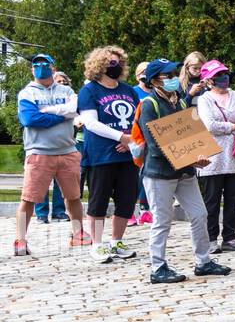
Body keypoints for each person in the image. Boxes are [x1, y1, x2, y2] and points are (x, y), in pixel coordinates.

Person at [137, 58, 232, 284]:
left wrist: (197, 155)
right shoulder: (149, 105)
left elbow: (190, 134)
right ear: (154, 80)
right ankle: (158, 267)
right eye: (167, 75)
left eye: (173, 74)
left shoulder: (179, 102)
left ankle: (203, 261)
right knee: (162, 220)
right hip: (159, 173)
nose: (172, 78)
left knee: (199, 213)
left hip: (185, 171)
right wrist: (189, 159)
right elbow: (154, 146)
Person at [14, 55, 91, 256]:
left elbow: (76, 109)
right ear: (32, 70)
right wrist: (62, 114)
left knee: (73, 197)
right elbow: (30, 119)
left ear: (53, 68)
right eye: (36, 65)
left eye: (44, 64)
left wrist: (50, 112)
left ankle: (78, 233)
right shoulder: (27, 93)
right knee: (29, 199)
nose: (40, 68)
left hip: (67, 151)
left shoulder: (66, 90)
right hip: (39, 153)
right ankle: (20, 240)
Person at [77, 45, 142, 264]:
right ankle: (97, 244)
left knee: (126, 199)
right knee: (99, 201)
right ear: (100, 65)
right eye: (112, 63)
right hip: (101, 155)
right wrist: (120, 137)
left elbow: (138, 119)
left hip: (127, 155)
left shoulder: (128, 90)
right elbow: (90, 122)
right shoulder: (90, 91)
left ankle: (117, 241)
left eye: (120, 62)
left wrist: (130, 139)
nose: (117, 66)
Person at [195, 60, 235, 253]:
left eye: (225, 74)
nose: (223, 78)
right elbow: (210, 125)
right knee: (211, 199)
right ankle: (211, 238)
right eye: (218, 75)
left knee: (233, 198)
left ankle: (230, 236)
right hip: (214, 155)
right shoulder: (205, 99)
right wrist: (233, 126)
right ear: (209, 80)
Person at [34, 69, 77, 223]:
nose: (62, 84)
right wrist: (63, 116)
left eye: (64, 82)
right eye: (59, 81)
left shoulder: (70, 95)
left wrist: (57, 113)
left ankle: (59, 212)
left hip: (64, 146)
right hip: (43, 146)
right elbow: (36, 117)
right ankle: (41, 213)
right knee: (41, 183)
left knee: (62, 185)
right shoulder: (41, 96)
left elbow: (74, 111)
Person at [127, 60, 153, 226]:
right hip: (136, 138)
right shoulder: (133, 92)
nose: (146, 74)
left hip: (152, 139)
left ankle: (145, 210)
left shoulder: (156, 92)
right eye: (143, 71)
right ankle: (128, 211)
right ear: (137, 76)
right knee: (132, 177)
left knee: (147, 175)